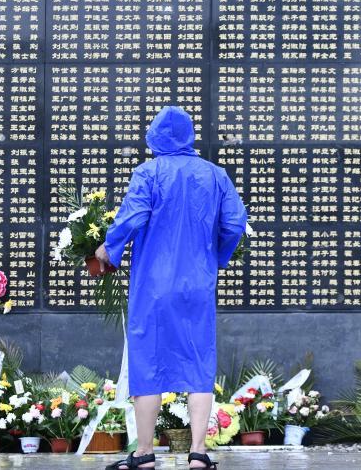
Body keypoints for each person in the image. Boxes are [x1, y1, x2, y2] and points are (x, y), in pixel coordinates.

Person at [94, 106, 247, 470]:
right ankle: (198, 452)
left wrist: (108, 248)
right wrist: (216, 256)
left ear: (156, 137)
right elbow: (235, 222)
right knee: (199, 361)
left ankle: (144, 453)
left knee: (148, 362)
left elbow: (132, 217)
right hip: (197, 284)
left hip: (153, 286)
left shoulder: (149, 173)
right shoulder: (215, 175)